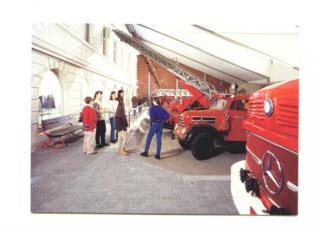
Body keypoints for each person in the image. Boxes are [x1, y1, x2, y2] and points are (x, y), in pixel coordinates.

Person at [115, 90, 129, 156]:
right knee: (125, 136)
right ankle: (121, 149)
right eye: (122, 93)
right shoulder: (119, 101)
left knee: (120, 137)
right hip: (120, 120)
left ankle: (119, 150)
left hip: (120, 120)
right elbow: (120, 113)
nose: (123, 94)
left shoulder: (120, 100)